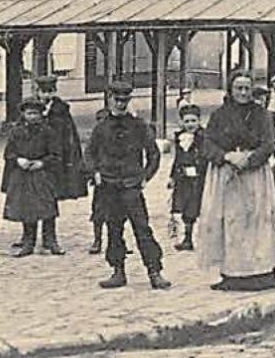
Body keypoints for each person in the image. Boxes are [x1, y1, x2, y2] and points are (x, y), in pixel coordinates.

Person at [199, 71, 275, 291]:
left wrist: (250, 160)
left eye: (247, 88)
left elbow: (268, 143)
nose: (243, 93)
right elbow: (207, 143)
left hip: (254, 175)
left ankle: (262, 274)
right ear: (231, 90)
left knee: (256, 222)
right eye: (239, 88)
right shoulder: (219, 115)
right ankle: (232, 275)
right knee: (231, 223)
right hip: (227, 174)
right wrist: (226, 157)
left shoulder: (261, 114)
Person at [87, 79, 169, 290]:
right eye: (117, 100)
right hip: (109, 186)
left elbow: (154, 154)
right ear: (110, 99)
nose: (121, 104)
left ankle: (154, 271)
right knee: (113, 229)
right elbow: (89, 154)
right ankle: (118, 271)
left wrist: (145, 177)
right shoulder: (101, 128)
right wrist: (95, 173)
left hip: (132, 186)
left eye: (125, 100)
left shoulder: (139, 126)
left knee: (142, 228)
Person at [2, 96, 62, 257]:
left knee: (47, 206)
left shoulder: (48, 132)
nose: (33, 117)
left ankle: (50, 240)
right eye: (29, 113)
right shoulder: (16, 132)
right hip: (23, 174)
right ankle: (28, 241)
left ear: (42, 114)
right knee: (27, 207)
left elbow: (56, 154)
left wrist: (42, 163)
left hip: (43, 174)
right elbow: (9, 153)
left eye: (36, 113)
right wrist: (18, 160)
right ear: (23, 114)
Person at [35, 74, 90, 208]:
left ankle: (50, 228)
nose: (46, 95)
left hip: (56, 157)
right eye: (43, 92)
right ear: (38, 92)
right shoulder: (33, 109)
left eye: (50, 92)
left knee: (52, 193)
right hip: (37, 155)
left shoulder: (61, 111)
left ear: (54, 92)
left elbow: (69, 136)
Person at [169, 103, 206, 251]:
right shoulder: (180, 138)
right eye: (187, 121)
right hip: (183, 179)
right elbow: (177, 158)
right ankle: (187, 238)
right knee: (184, 208)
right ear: (181, 122)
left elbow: (207, 156)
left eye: (193, 121)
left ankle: (205, 239)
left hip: (199, 179)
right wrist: (172, 176)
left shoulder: (204, 137)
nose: (190, 124)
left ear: (199, 121)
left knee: (199, 207)